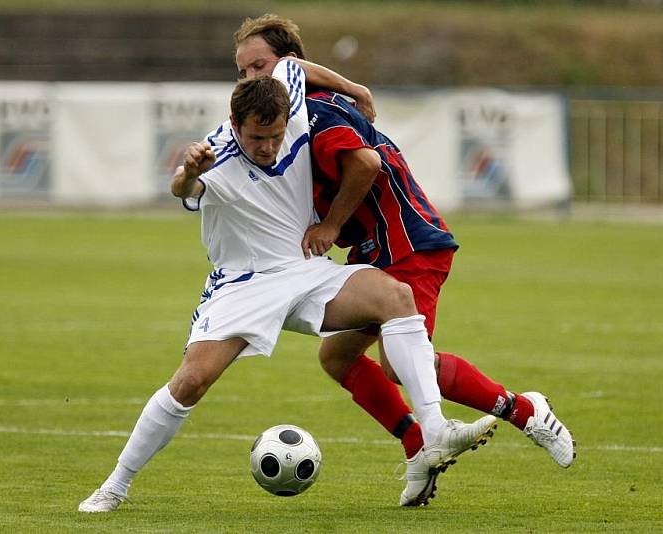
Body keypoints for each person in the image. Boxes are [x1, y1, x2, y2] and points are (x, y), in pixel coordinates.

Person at [78, 56, 497, 513]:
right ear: (235, 124)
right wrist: (189, 171)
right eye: (257, 138)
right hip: (243, 284)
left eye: (275, 135)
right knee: (192, 382)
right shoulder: (216, 153)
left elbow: (293, 64)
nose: (268, 146)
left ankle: (434, 431)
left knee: (395, 297)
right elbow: (182, 189)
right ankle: (115, 486)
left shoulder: (290, 102)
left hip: (304, 270)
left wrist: (355, 87)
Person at [231, 14, 577, 506]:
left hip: (408, 243)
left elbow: (366, 165)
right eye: (243, 72)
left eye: (259, 67)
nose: (251, 80)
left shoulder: (318, 112)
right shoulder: (288, 120)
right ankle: (418, 447)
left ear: (289, 65)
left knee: (397, 366)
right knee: (336, 356)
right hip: (377, 248)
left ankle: (524, 410)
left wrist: (329, 227)